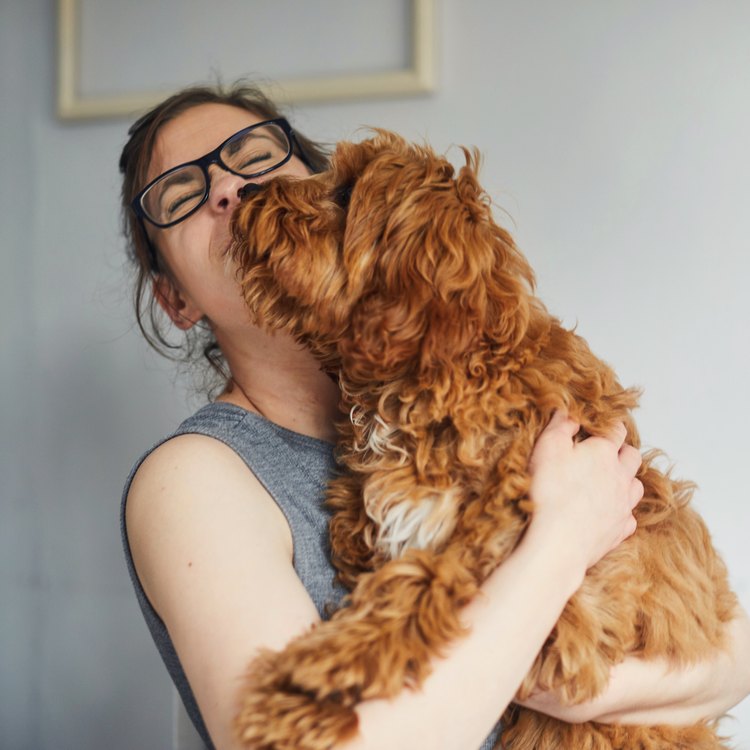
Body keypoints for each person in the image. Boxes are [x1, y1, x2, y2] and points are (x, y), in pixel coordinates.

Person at [119, 81, 750, 750]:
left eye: (252, 154)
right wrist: (562, 541)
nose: (229, 189)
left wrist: (573, 685)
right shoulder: (192, 480)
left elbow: (731, 654)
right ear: (175, 300)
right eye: (181, 195)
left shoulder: (479, 393)